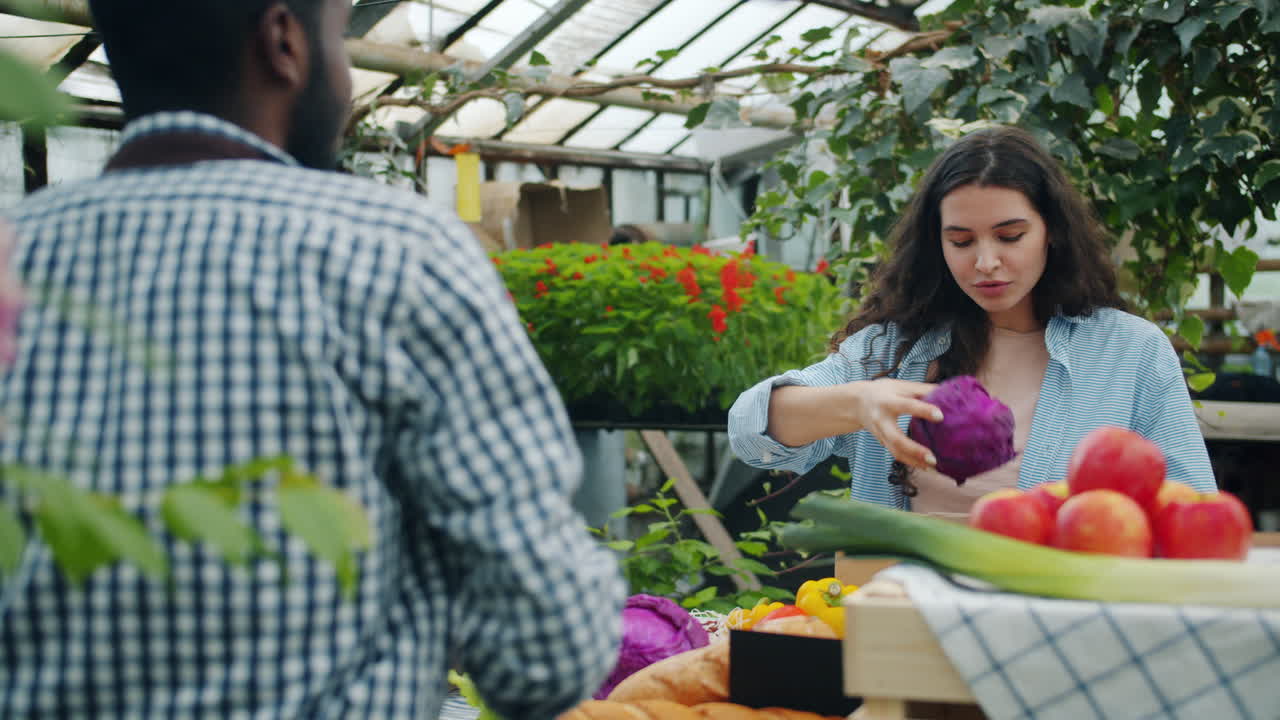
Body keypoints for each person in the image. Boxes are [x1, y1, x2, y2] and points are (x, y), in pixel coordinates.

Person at [0, 1, 626, 718]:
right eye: (338, 39)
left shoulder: (16, 258)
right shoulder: (394, 251)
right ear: (283, 43)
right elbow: (543, 651)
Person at [728, 126, 1216, 515]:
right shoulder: (893, 350)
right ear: (937, 244)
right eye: (961, 242)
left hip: (1062, 613)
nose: (985, 262)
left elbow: (1192, 504)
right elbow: (749, 431)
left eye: (1009, 236)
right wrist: (858, 400)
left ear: (1052, 232)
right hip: (903, 609)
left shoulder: (1128, 352)